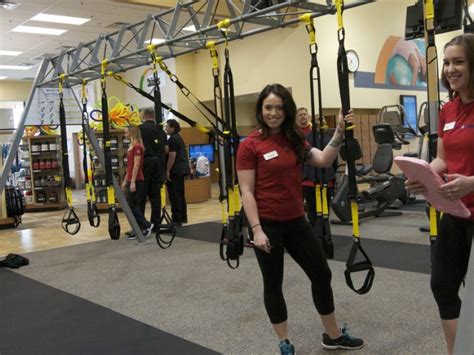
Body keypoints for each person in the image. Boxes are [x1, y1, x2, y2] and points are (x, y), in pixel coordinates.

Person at [236, 83, 364, 354]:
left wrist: (340, 130)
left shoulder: (293, 140)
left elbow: (324, 159)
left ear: (287, 110)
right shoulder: (250, 145)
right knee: (273, 283)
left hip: (296, 221)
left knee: (321, 273)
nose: (273, 113)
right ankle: (284, 342)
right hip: (267, 225)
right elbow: (246, 190)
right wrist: (257, 230)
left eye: (279, 108)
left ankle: (332, 335)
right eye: (268, 107)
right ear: (260, 109)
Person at [405, 33, 474, 355]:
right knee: (443, 286)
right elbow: (444, 159)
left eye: (458, 61)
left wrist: (472, 182)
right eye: (447, 62)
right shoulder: (448, 110)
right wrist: (424, 174)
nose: (450, 69)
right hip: (456, 212)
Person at [137, 108, 168, 232]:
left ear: (144, 116)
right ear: (154, 116)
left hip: (145, 163)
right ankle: (155, 224)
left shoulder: (140, 129)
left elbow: (138, 147)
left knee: (141, 195)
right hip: (159, 164)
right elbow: (166, 150)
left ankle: (142, 225)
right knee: (156, 197)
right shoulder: (161, 131)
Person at [121, 125, 154, 239]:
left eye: (126, 132)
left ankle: (146, 225)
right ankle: (138, 228)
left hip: (137, 179)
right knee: (130, 205)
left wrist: (133, 181)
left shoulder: (138, 147)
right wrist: (126, 180)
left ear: (131, 133)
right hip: (131, 179)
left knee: (131, 205)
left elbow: (136, 165)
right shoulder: (132, 146)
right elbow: (129, 167)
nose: (125, 134)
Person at [165, 119, 190, 226]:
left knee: (175, 195)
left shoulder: (173, 139)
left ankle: (176, 219)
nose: (166, 128)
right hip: (181, 169)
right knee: (180, 194)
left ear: (173, 128)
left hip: (175, 170)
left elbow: (172, 156)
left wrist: (167, 170)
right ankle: (183, 217)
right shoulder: (179, 137)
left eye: (167, 126)